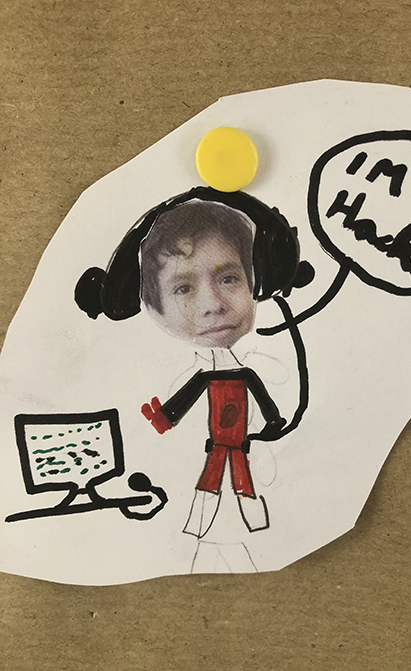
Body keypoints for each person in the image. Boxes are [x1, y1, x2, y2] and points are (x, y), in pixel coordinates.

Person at [75, 186, 311, 572]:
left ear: (257, 281)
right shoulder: (161, 377)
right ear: (151, 306)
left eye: (230, 278)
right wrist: (164, 419)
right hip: (205, 461)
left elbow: (266, 404)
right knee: (209, 490)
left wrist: (272, 424)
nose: (212, 305)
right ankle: (201, 531)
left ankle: (251, 528)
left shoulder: (261, 369)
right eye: (184, 287)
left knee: (241, 492)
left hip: (243, 452)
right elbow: (184, 401)